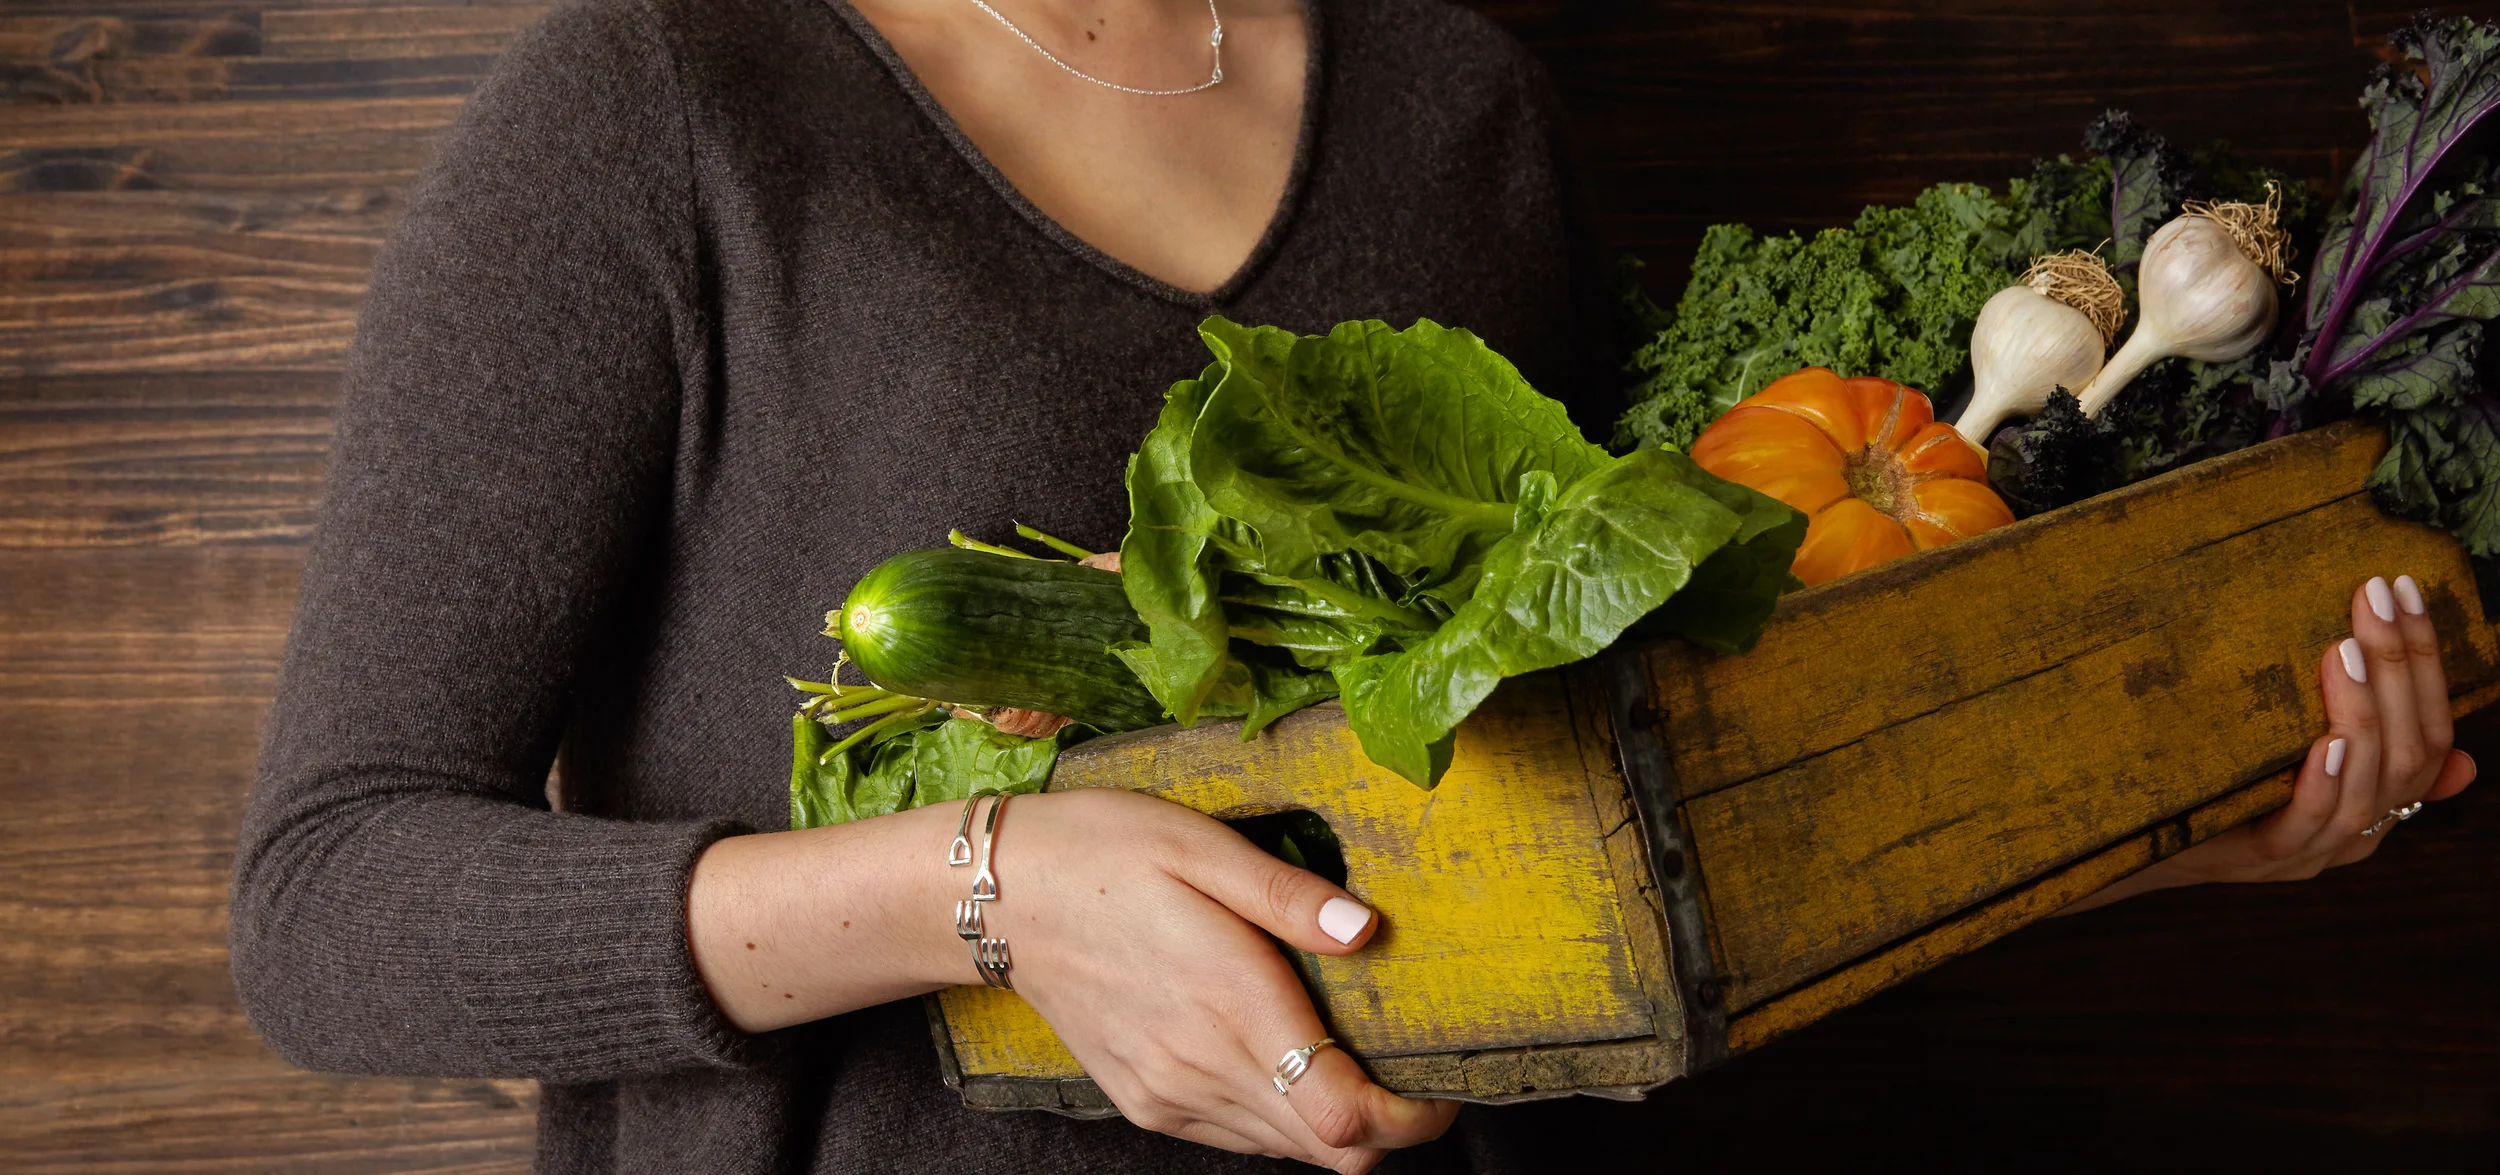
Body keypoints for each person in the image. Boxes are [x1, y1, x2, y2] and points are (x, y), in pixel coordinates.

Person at [226, 0, 2477, 1171]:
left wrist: (2142, 825)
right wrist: (991, 890)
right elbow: (329, 904)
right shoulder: (654, 105)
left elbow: (1634, 834)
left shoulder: (1457, 105)